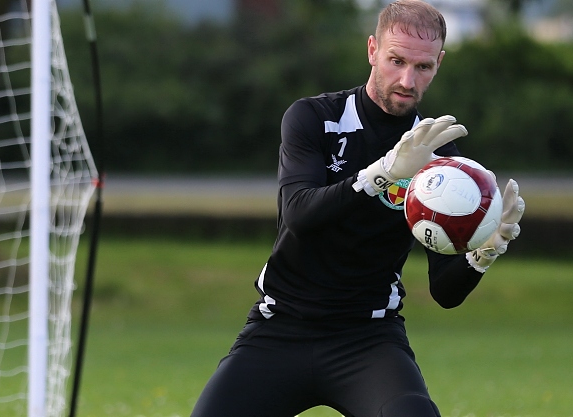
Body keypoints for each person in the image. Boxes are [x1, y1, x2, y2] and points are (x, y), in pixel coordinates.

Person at [191, 1, 524, 416]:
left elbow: (444, 292)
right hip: (280, 329)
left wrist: (482, 253)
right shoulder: (315, 118)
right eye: (396, 60)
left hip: (368, 338)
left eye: (423, 67)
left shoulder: (439, 155)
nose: (407, 80)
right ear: (372, 50)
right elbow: (299, 214)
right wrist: (380, 173)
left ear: (439, 63)